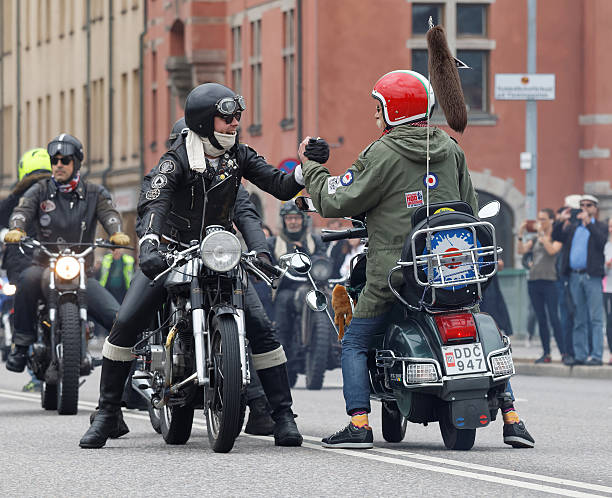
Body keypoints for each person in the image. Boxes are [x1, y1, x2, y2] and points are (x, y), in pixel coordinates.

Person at [299, 62, 533, 448]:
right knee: (476, 326)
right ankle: (512, 417)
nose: (375, 114)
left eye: (378, 106)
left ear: (393, 110)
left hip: (397, 270)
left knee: (356, 341)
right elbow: (469, 209)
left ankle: (359, 424)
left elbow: (337, 199)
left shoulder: (383, 152)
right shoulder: (451, 148)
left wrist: (311, 167)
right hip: (451, 268)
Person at [80, 83, 305, 449]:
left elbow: (279, 186)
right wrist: (150, 243)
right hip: (173, 254)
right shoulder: (175, 160)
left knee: (262, 327)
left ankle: (282, 416)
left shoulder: (239, 157)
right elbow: (155, 202)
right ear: (204, 121)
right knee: (126, 322)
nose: (235, 124)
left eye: (237, 117)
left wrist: (304, 169)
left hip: (219, 254)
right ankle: (106, 413)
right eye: (227, 117)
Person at [4, 134, 130, 374]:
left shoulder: (94, 192)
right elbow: (22, 210)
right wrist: (17, 228)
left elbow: (110, 213)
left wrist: (116, 232)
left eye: (65, 160)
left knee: (118, 319)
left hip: (83, 271)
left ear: (77, 163)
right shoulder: (40, 191)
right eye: (55, 160)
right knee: (27, 278)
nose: (59, 165)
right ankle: (21, 344)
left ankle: (126, 386)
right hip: (44, 267)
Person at [0, 148, 53, 391]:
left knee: (22, 306)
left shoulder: (13, 199)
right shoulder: (59, 193)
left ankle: (23, 352)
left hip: (21, 261)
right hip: (53, 258)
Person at [267, 200, 326, 381]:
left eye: (296, 218)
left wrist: (309, 253)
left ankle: (329, 343)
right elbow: (267, 265)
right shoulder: (273, 242)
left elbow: (323, 259)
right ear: (284, 221)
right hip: (286, 288)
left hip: (312, 286)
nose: (293, 222)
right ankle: (284, 357)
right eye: (289, 218)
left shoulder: (314, 240)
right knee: (283, 309)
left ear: (303, 220)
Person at [553, 194, 607, 366]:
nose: (584, 207)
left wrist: (589, 223)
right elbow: (557, 236)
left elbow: (601, 241)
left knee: (596, 318)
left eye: (588, 205)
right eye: (582, 204)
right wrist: (561, 221)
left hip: (592, 277)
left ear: (595, 208)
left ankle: (597, 356)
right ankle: (580, 355)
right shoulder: (573, 228)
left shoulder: (600, 226)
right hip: (574, 276)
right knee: (579, 318)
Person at [517, 209, 564, 363]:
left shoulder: (556, 237)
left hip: (550, 281)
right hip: (534, 281)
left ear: (551, 220)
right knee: (541, 318)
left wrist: (542, 234)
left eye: (543, 219)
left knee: (554, 317)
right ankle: (546, 353)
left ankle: (564, 352)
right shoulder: (536, 238)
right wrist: (520, 234)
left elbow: (552, 251)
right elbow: (521, 251)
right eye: (539, 219)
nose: (540, 222)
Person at [603, 218, 612, 365]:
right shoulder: (606, 245)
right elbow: (602, 269)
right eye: (610, 226)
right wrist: (607, 265)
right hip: (608, 288)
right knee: (610, 322)